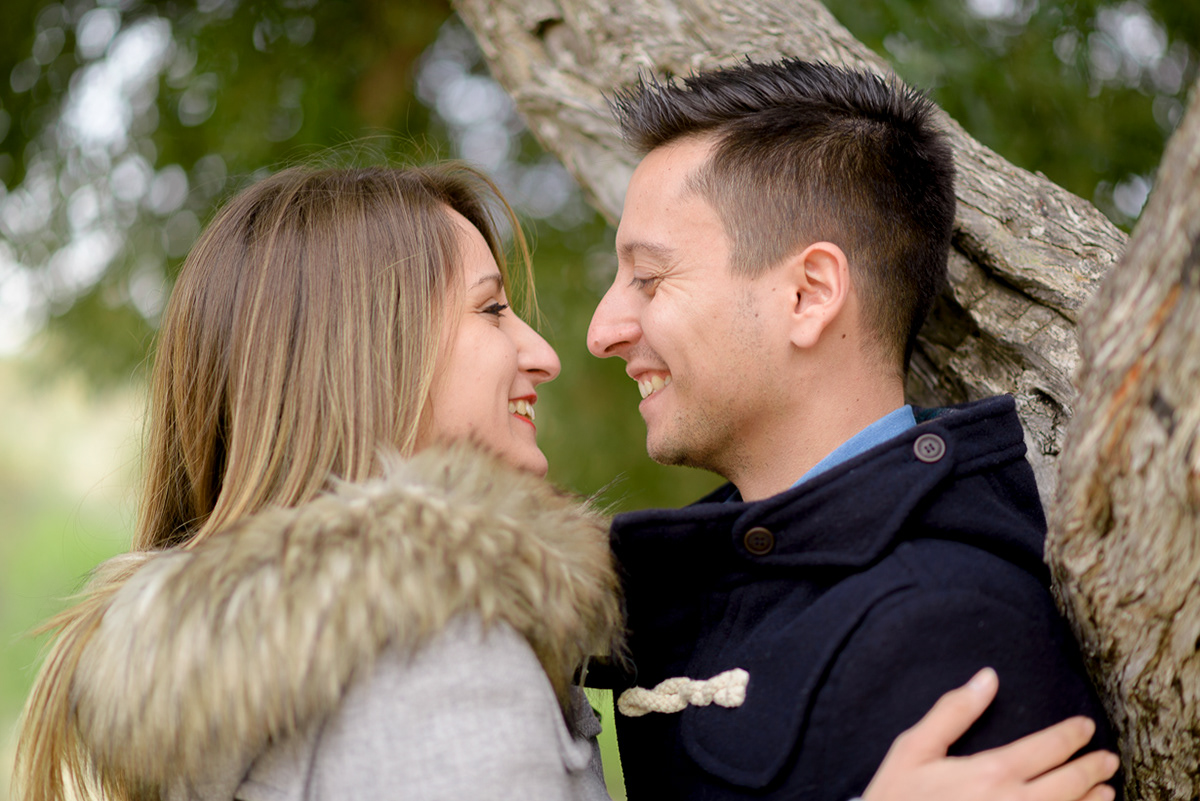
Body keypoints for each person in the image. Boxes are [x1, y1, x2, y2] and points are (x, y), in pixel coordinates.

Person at [12, 163, 1115, 801]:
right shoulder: (428, 652)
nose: (549, 349)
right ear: (368, 356)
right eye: (493, 311)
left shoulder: (249, 658)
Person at [586, 59, 1122, 801]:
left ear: (809, 293)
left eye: (649, 279)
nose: (601, 330)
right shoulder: (686, 588)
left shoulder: (954, 629)